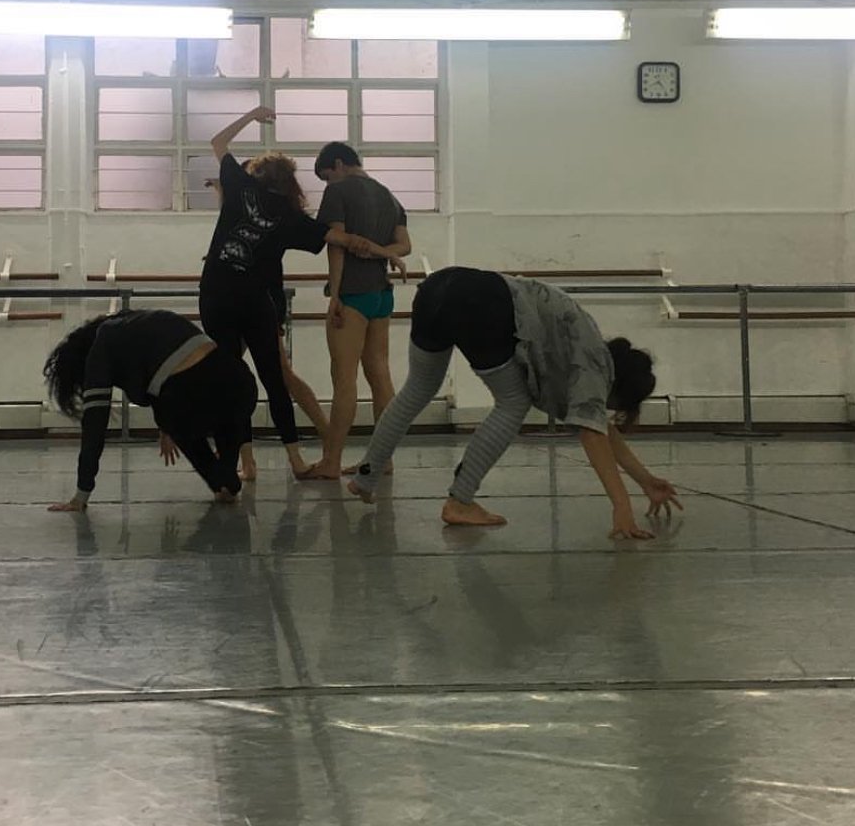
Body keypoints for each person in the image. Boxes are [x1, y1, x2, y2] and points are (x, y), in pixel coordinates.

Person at [346, 266, 683, 541]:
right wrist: (622, 507)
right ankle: (460, 502)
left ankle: (365, 478)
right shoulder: (595, 364)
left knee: (417, 389)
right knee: (512, 402)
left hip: (439, 287)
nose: (606, 410)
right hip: (484, 302)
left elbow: (600, 428)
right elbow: (593, 433)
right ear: (619, 389)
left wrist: (646, 481)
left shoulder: (586, 347)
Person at [199, 107, 401, 478]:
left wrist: (252, 115)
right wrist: (386, 252)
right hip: (272, 300)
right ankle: (314, 457)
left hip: (222, 294)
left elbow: (218, 142)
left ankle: (262, 460)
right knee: (288, 378)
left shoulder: (246, 189)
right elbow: (341, 239)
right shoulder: (299, 215)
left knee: (241, 378)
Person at [44, 309, 257, 510]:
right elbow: (177, 368)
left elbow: (95, 425)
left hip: (192, 400)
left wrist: (81, 495)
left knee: (173, 414)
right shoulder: (141, 321)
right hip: (241, 385)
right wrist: (166, 427)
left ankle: (222, 480)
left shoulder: (102, 345)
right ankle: (226, 481)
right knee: (220, 418)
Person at [298, 142, 411, 480]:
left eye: (326, 177)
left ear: (338, 164)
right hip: (382, 294)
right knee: (380, 375)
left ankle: (331, 461)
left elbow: (335, 244)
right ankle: (383, 458)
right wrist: (382, 252)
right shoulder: (389, 196)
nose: (327, 184)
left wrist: (335, 294)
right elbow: (404, 245)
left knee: (344, 380)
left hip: (352, 293)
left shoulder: (338, 192)